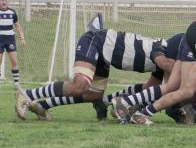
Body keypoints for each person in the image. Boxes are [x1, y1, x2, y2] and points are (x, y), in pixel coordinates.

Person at [15, 29, 174, 120]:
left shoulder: (167, 61)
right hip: (95, 41)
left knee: (92, 95)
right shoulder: (164, 48)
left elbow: (149, 89)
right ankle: (26, 94)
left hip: (105, 55)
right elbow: (164, 64)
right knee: (80, 86)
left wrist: (130, 106)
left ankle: (42, 105)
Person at [0, 0, 26, 90]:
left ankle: (16, 83)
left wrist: (22, 38)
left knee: (14, 61)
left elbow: (17, 26)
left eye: (6, 0)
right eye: (2, 0)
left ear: (8, 2)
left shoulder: (12, 12)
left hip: (10, 39)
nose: (4, 2)